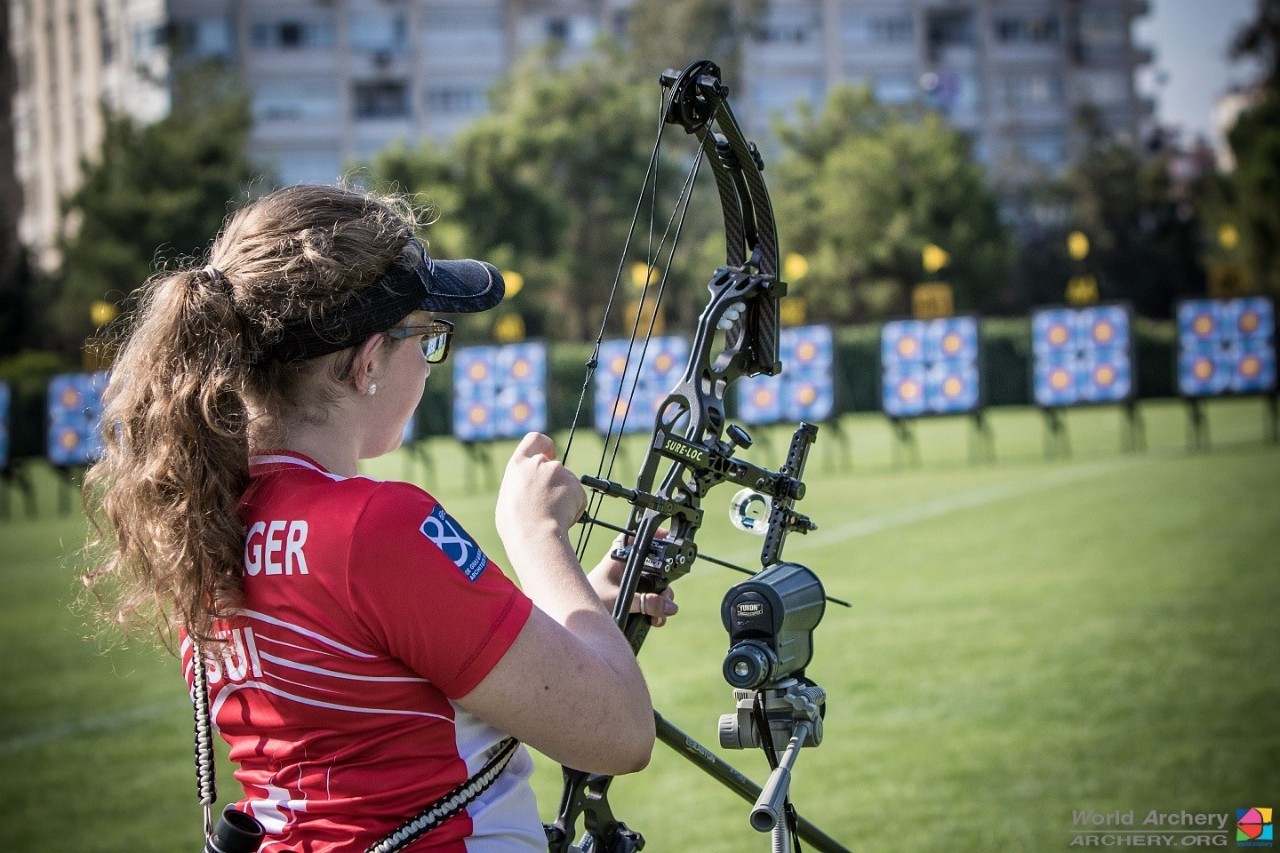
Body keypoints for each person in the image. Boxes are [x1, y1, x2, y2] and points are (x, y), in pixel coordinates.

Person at [83, 184, 678, 851]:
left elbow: (389, 688)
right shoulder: (372, 527)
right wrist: (534, 532)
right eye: (424, 338)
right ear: (368, 361)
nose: (426, 365)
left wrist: (568, 618)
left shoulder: (205, 516)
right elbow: (620, 732)